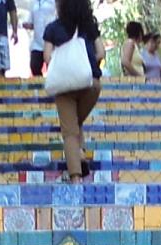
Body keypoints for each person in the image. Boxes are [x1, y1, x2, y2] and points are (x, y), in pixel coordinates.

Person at [42, 0, 106, 179]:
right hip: (91, 84)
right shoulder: (89, 26)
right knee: (75, 123)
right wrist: (84, 64)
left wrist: (66, 64)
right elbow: (101, 53)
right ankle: (81, 153)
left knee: (70, 131)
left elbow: (47, 57)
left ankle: (76, 179)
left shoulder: (52, 28)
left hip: (64, 87)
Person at [23, 0, 57, 79]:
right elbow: (31, 22)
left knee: (52, 69)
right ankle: (41, 86)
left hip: (51, 42)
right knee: (34, 66)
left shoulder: (54, 2)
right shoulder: (34, 3)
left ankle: (51, 85)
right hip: (37, 43)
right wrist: (27, 25)